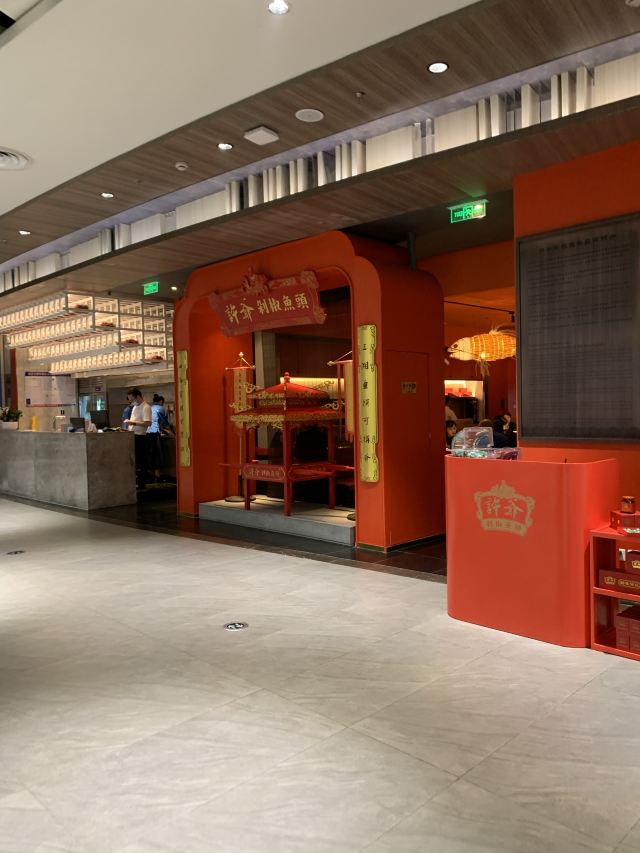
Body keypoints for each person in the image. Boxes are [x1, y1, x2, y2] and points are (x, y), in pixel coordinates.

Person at [123, 387, 152, 488]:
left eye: (132, 399)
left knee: (141, 460)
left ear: (138, 396)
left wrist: (133, 423)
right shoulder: (135, 407)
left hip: (140, 437)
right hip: (132, 435)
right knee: (135, 460)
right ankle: (135, 481)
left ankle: (142, 483)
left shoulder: (146, 407)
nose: (131, 402)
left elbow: (148, 423)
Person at [147, 394, 174, 481]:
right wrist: (172, 432)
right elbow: (165, 423)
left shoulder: (150, 408)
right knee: (157, 454)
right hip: (154, 433)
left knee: (151, 454)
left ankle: (151, 474)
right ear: (161, 401)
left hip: (147, 433)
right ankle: (158, 475)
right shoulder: (160, 408)